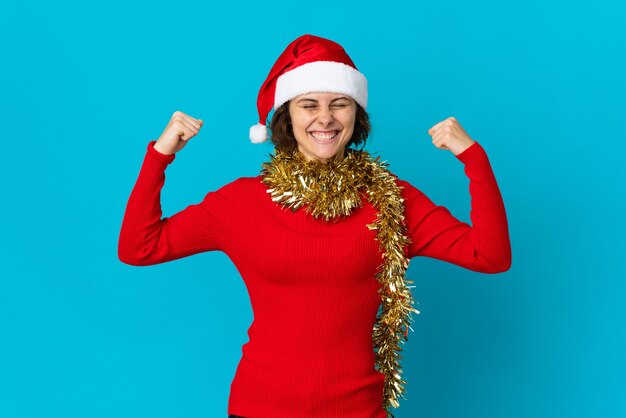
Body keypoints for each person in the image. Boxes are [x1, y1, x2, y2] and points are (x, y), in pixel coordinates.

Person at [118, 34, 512, 418]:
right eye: (309, 105)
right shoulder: (240, 202)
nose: (325, 117)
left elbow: (490, 255)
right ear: (287, 114)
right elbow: (139, 247)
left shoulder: (392, 200)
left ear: (356, 114)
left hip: (357, 410)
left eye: (340, 104)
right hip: (259, 408)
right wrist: (160, 154)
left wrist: (473, 158)